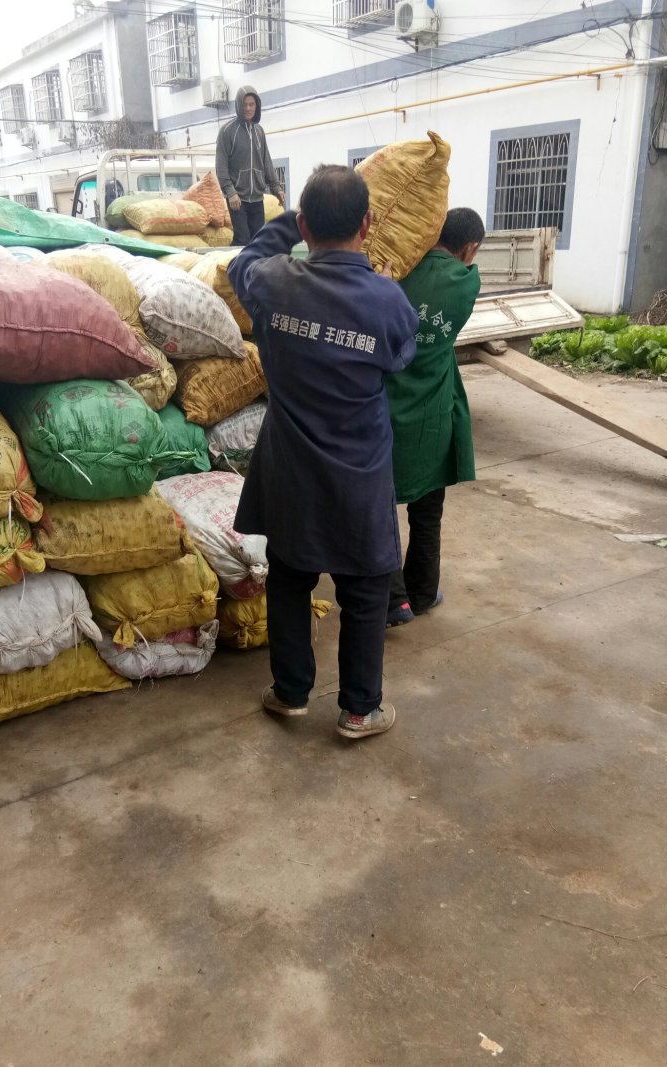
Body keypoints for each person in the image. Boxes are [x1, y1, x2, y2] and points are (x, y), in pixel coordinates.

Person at [228, 165, 419, 740]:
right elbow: (400, 357)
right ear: (370, 223)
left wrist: (289, 220)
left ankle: (290, 693)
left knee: (289, 580)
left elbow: (240, 261)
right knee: (363, 592)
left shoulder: (271, 282)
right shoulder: (388, 299)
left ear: (305, 225)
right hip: (358, 472)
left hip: (290, 468)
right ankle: (360, 710)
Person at [385, 207, 486, 627]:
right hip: (432, 412)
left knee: (379, 509)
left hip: (385, 406)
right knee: (427, 511)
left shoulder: (398, 269)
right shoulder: (467, 281)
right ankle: (422, 595)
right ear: (470, 248)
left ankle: (393, 603)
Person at [216, 86, 285, 246]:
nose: (248, 108)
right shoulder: (227, 131)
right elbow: (221, 166)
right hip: (237, 198)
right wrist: (230, 192)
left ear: (257, 105)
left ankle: (253, 270)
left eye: (252, 104)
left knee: (258, 241)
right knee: (243, 240)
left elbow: (266, 161)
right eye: (245, 104)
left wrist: (276, 187)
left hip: (257, 197)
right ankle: (232, 269)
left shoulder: (259, 131)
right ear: (239, 105)